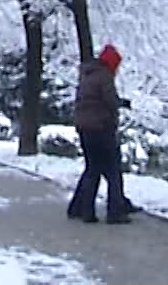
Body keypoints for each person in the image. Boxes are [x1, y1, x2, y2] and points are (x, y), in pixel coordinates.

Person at [67, 43, 132, 224]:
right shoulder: (104, 76)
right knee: (113, 171)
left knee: (92, 169)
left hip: (84, 128)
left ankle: (83, 210)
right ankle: (115, 212)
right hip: (101, 129)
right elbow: (109, 101)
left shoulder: (87, 75)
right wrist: (121, 104)